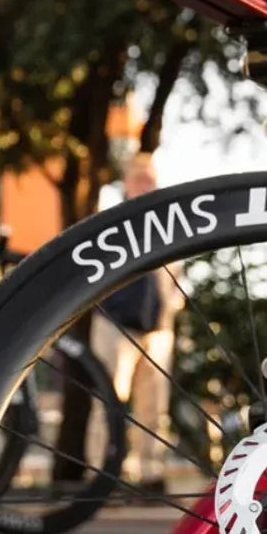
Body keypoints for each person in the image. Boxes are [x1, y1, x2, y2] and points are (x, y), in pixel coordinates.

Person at [89, 153, 183, 490]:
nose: (145, 184)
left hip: (157, 328)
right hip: (114, 323)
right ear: (126, 183)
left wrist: (173, 306)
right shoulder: (110, 222)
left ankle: (149, 474)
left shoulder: (169, 224)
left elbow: (176, 274)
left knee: (154, 406)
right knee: (108, 402)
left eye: (150, 178)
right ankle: (102, 476)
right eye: (139, 178)